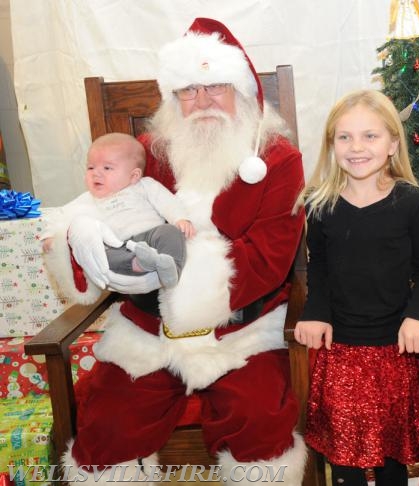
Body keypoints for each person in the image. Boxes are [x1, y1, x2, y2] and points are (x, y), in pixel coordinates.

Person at [44, 18, 307, 484]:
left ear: (242, 92)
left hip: (241, 330)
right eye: (189, 91)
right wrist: (75, 241)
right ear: (173, 99)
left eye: (216, 87)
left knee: (258, 420)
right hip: (149, 329)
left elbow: (269, 260)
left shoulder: (278, 160)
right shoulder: (146, 154)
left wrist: (171, 275)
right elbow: (98, 212)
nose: (202, 102)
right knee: (107, 426)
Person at [294, 89, 419, 486]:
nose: (356, 147)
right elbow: (320, 268)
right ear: (331, 145)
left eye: (370, 136)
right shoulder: (319, 204)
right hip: (340, 349)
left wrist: (417, 314)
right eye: (344, 137)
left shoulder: (413, 203)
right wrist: (314, 312)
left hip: (394, 348)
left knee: (391, 454)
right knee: (344, 455)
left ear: (393, 143)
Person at [43, 132, 195, 289]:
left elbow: (167, 201)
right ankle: (138, 264)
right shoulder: (87, 199)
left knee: (170, 232)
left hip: (152, 235)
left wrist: (180, 218)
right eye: (90, 167)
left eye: (107, 167)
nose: (96, 173)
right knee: (101, 257)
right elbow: (62, 215)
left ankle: (171, 269)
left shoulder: (144, 186)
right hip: (120, 245)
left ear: (134, 175)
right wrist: (51, 235)